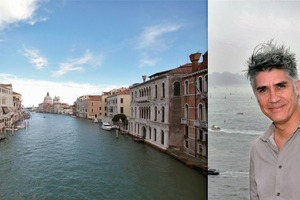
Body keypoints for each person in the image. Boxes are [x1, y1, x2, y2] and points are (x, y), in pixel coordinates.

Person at [246, 40, 300, 200]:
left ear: (297, 88)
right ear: (257, 97)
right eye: (263, 90)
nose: (273, 98)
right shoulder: (257, 150)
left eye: (280, 86)